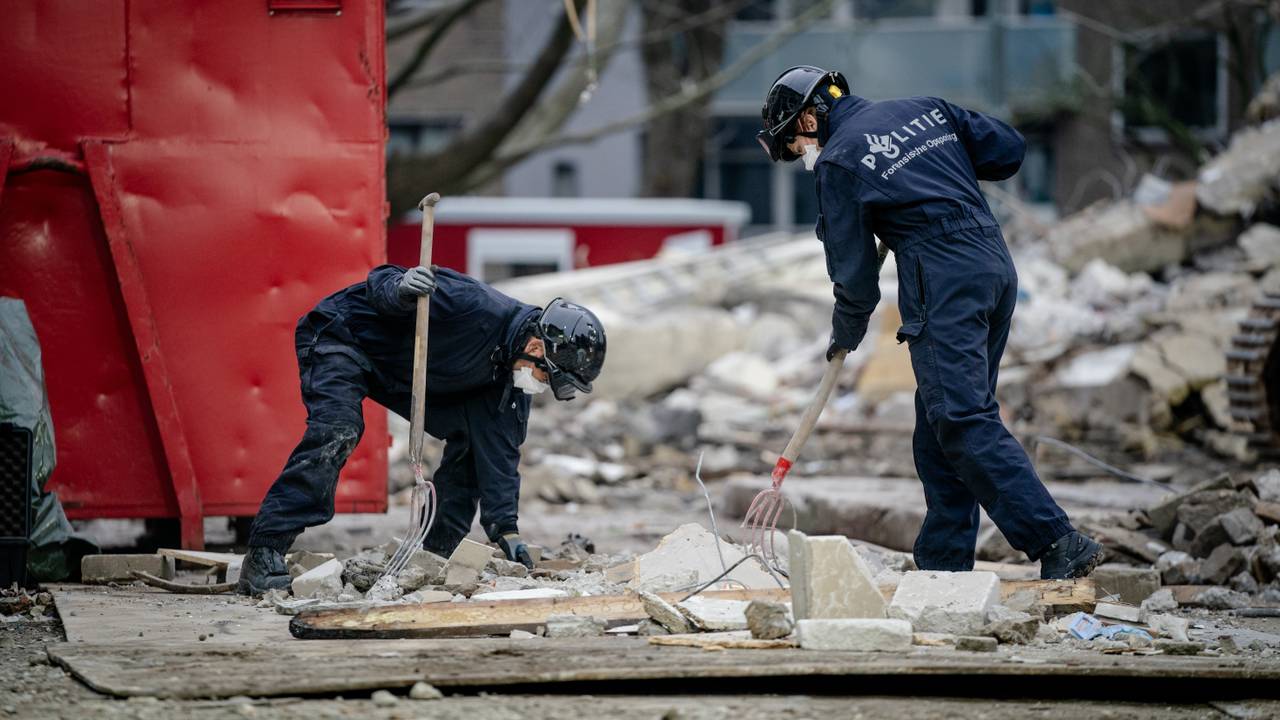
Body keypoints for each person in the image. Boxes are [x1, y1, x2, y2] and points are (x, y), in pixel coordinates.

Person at [757, 66, 1103, 579]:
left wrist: (845, 334)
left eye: (796, 146)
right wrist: (935, 168)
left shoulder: (840, 163)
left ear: (810, 117)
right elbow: (1006, 149)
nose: (803, 157)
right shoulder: (925, 108)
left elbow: (854, 278)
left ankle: (1057, 540)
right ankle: (943, 567)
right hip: (993, 264)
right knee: (940, 424)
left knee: (961, 418)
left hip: (942, 276)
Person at [237, 264, 606, 595]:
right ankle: (265, 550)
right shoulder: (473, 305)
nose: (541, 385)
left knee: (475, 446)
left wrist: (506, 532)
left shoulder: (510, 384)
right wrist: (399, 289)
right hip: (344, 335)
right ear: (537, 346)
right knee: (339, 429)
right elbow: (381, 280)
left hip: (404, 370)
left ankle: (435, 554)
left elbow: (500, 459)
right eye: (547, 376)